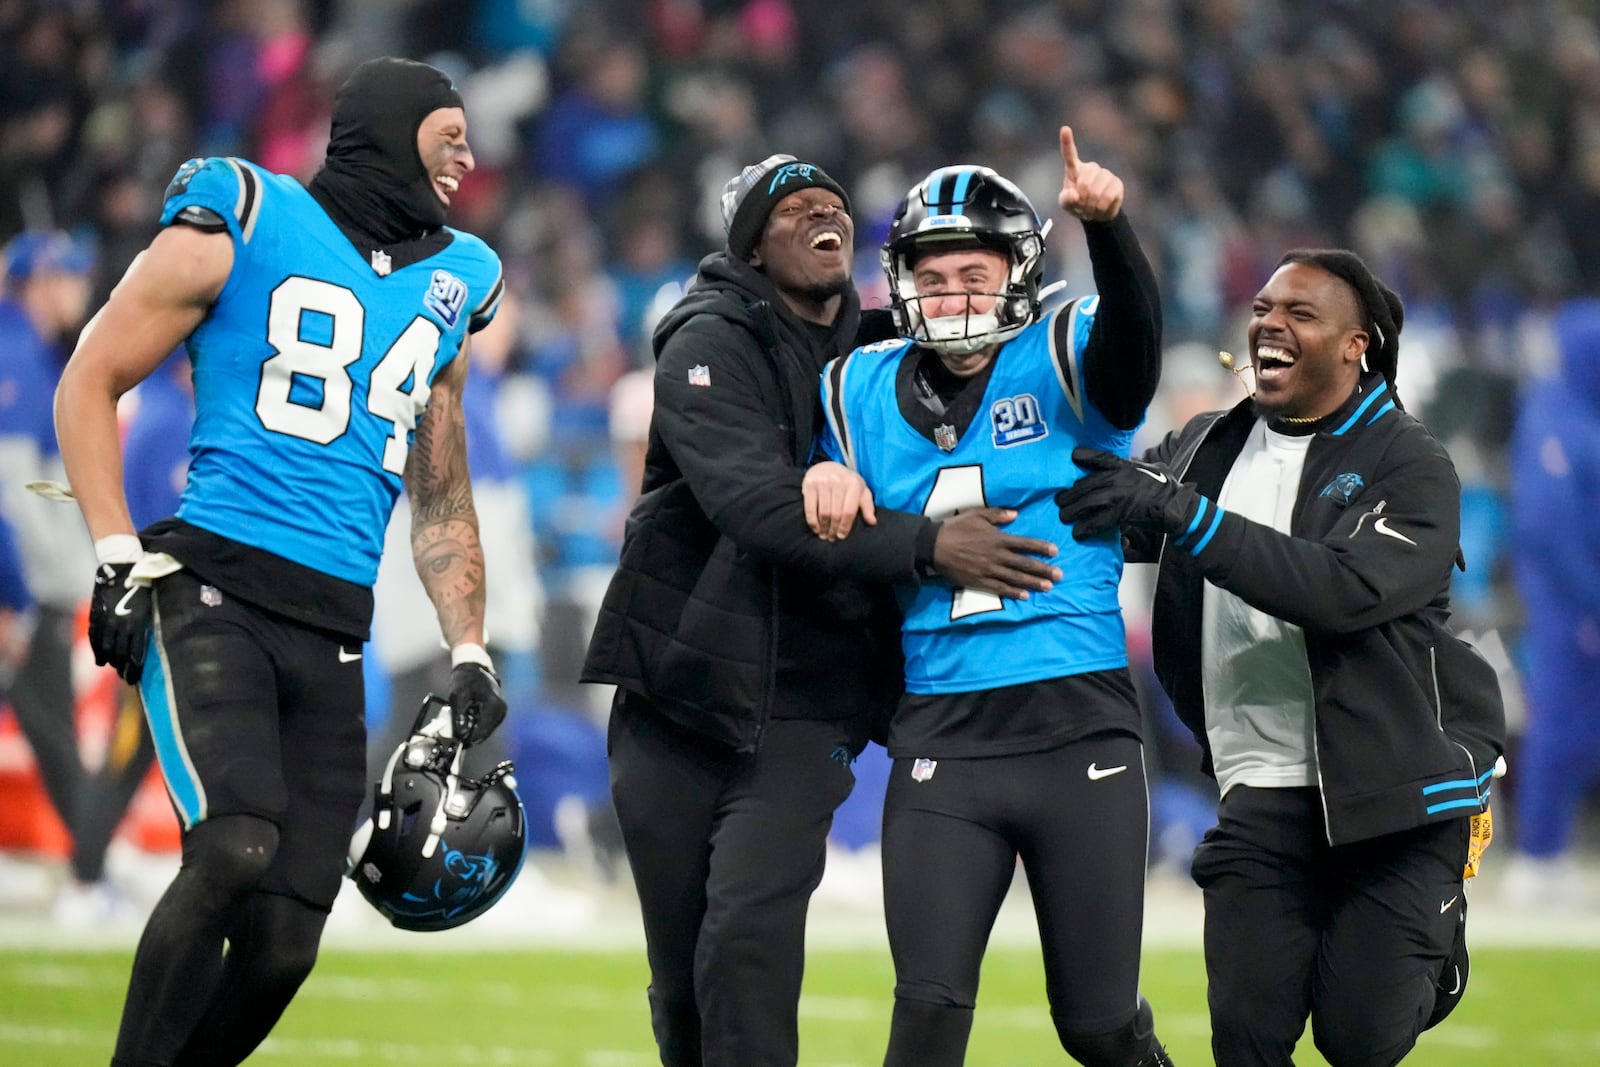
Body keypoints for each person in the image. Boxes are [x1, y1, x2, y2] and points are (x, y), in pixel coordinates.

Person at [52, 57, 509, 1066]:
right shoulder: (246, 211)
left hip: (335, 624)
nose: (469, 157)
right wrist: (116, 551)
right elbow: (91, 375)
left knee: (287, 938)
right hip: (213, 587)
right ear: (390, 132)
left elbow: (440, 485)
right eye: (449, 135)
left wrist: (468, 646)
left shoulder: (458, 279)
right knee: (234, 843)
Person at [581, 152, 1066, 1067]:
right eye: (794, 209)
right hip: (679, 694)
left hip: (810, 699)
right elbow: (754, 508)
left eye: (832, 204)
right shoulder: (705, 343)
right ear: (752, 247)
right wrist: (928, 541)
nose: (821, 216)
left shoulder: (892, 352)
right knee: (684, 980)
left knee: (749, 936)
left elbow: (1026, 409)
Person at [1056, 249, 1507, 1065]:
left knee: (1358, 1036)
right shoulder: (1207, 448)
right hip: (1258, 787)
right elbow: (1100, 516)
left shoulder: (1412, 463)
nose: (1269, 322)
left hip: (1393, 794)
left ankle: (1432, 960)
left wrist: (1180, 513)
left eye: (1300, 312)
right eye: (1263, 307)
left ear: (1354, 345)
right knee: (1248, 1040)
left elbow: (1338, 588)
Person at [808, 130, 1174, 1067]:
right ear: (903, 285)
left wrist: (1110, 230)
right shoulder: (854, 389)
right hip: (942, 733)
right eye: (935, 279)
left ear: (1018, 272)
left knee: (1096, 1026)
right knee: (925, 1017)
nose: (955, 295)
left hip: (1077, 716)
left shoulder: (1062, 349)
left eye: (976, 273)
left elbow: (1134, 356)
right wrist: (822, 480)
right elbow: (834, 533)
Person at [0, 230, 98, 863]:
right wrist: (17, 594)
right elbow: (10, 490)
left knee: (52, 730)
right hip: (24, 584)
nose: (79, 288)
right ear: (35, 283)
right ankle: (94, 865)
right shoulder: (18, 356)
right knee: (57, 736)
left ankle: (93, 862)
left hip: (25, 580)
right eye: (66, 276)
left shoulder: (33, 352)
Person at [1500, 296, 1600, 911]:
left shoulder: (1582, 413)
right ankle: (1537, 856)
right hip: (1570, 606)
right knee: (1560, 726)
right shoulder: (1555, 418)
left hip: (1584, 600)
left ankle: (1552, 848)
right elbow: (1548, 527)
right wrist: (1586, 605)